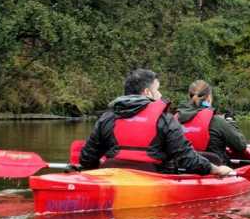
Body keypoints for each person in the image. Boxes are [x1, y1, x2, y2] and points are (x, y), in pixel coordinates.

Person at [79, 69, 234, 176]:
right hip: (154, 178)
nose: (160, 94)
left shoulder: (107, 118)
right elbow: (187, 159)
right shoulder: (164, 119)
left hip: (113, 176)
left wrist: (96, 176)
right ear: (147, 92)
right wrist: (215, 169)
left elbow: (87, 159)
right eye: (157, 89)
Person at [174, 80, 248, 164]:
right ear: (209, 97)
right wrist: (231, 122)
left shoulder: (173, 120)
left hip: (181, 168)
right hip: (214, 169)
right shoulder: (217, 121)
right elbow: (241, 146)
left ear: (189, 96)